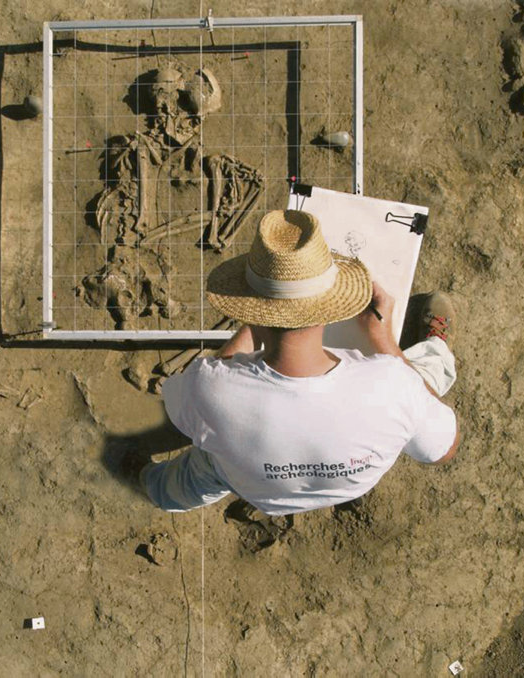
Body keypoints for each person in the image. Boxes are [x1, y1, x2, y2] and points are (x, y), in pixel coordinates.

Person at [139, 209, 459, 515]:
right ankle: (436, 346)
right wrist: (384, 340)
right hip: (348, 483)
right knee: (423, 375)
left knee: (184, 481)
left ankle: (149, 487)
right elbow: (444, 450)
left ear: (251, 308)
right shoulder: (394, 384)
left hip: (243, 479)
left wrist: (256, 320)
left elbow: (182, 402)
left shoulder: (207, 386)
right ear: (334, 302)